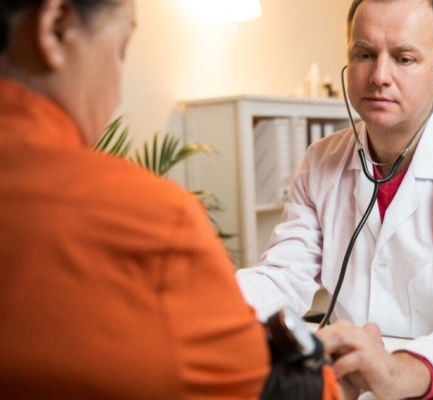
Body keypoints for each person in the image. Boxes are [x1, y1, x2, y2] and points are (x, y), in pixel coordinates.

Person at [0, 1, 340, 399]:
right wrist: (329, 376)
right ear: (56, 27)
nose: (115, 97)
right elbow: (272, 385)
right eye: (121, 48)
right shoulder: (151, 218)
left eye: (404, 58)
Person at [236, 0, 433, 399]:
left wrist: (401, 370)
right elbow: (282, 274)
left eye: (404, 58)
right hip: (348, 383)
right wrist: (212, 307)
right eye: (364, 54)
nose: (379, 76)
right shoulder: (320, 162)